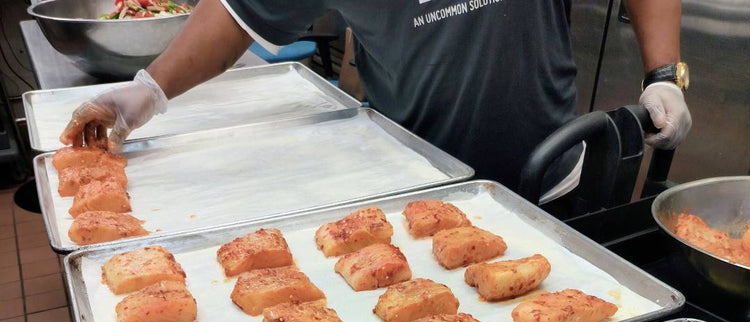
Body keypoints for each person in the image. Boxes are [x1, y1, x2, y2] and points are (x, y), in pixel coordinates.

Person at [61, 0, 691, 200]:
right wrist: (147, 91)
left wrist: (664, 74)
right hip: (418, 192)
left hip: (552, 180)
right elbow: (234, 16)